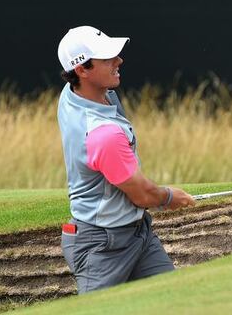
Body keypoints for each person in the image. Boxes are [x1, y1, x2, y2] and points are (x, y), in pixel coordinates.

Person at [56, 25, 195, 293]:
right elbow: (142, 195)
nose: (119, 61)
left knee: (174, 299)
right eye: (107, 58)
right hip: (102, 246)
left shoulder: (75, 94)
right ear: (82, 70)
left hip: (136, 233)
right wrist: (168, 197)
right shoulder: (102, 134)